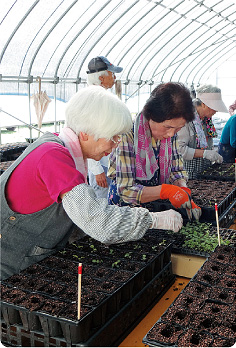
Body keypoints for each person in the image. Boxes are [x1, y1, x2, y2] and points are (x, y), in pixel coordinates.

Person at [1, 86, 183, 280]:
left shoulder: (63, 149)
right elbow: (97, 221)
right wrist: (153, 219)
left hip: (33, 258)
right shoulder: (53, 157)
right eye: (112, 136)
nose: (115, 144)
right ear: (86, 133)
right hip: (11, 264)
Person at [107, 82, 201, 221]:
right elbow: (126, 191)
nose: (171, 134)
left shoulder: (171, 135)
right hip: (126, 211)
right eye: (167, 127)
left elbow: (176, 169)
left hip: (154, 206)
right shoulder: (127, 136)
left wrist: (182, 189)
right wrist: (166, 191)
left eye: (178, 128)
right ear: (151, 116)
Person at [86, 56, 122, 198]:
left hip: (107, 161)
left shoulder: (103, 98)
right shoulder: (92, 100)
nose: (114, 77)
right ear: (101, 78)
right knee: (102, 202)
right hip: (100, 164)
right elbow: (87, 136)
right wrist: (96, 170)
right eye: (111, 74)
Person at [177, 84, 227, 179]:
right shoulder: (186, 119)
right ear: (203, 104)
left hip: (204, 170)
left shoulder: (207, 120)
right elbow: (179, 150)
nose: (216, 111)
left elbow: (208, 142)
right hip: (188, 173)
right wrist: (204, 154)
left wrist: (212, 153)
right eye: (214, 107)